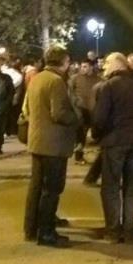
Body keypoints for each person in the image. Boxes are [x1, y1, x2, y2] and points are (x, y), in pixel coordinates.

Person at [22, 46, 79, 247]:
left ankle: (31, 227)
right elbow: (59, 113)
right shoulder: (56, 82)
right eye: (68, 61)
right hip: (53, 144)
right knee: (52, 189)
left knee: (36, 187)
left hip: (38, 140)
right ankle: (46, 232)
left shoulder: (37, 78)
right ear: (63, 61)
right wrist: (78, 118)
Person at [92, 52, 133, 244]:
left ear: (117, 64)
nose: (104, 66)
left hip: (114, 141)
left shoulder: (109, 86)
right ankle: (130, 230)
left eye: (107, 62)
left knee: (111, 187)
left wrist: (97, 135)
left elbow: (99, 118)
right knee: (131, 186)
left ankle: (113, 231)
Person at [68, 60, 100, 166]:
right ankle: (78, 156)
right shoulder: (75, 78)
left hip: (93, 111)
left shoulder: (98, 79)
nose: (82, 68)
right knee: (80, 136)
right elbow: (70, 93)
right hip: (80, 111)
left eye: (85, 66)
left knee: (98, 135)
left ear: (91, 67)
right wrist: (76, 103)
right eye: (82, 66)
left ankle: (101, 159)